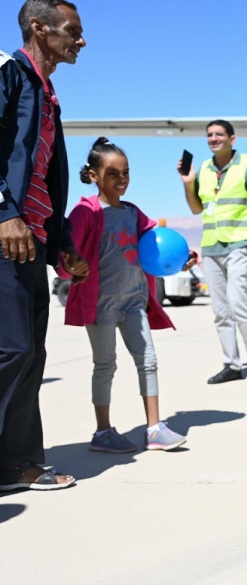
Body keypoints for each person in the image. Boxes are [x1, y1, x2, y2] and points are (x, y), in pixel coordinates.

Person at [0, 0, 89, 492]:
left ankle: (18, 463)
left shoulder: (46, 91)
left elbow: (45, 178)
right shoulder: (9, 73)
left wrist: (61, 247)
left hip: (31, 243)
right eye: (72, 30)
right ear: (39, 27)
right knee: (10, 349)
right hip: (5, 235)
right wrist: (4, 212)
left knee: (29, 353)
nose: (81, 40)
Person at [62, 138, 189, 452]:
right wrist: (70, 270)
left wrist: (183, 256)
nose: (121, 179)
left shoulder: (133, 212)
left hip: (133, 300)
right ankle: (102, 431)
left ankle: (155, 429)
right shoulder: (85, 212)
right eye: (113, 173)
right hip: (101, 303)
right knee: (105, 365)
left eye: (126, 173)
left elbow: (155, 244)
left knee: (148, 361)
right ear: (93, 175)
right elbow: (67, 254)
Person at [179, 119, 247, 388]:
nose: (213, 138)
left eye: (219, 134)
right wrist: (188, 183)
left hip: (239, 244)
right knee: (221, 310)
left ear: (232, 139)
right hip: (211, 247)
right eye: (209, 135)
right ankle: (231, 364)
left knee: (238, 302)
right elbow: (197, 209)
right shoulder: (204, 169)